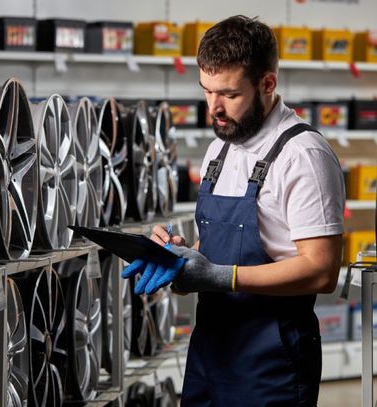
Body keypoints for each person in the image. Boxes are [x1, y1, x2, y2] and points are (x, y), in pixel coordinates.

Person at [122, 15, 345, 406]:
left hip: (269, 363)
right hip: (210, 350)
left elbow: (322, 270)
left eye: (229, 94)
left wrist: (218, 276)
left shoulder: (303, 155)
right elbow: (216, 245)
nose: (214, 108)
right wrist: (180, 255)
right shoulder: (220, 148)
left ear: (268, 83)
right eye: (207, 91)